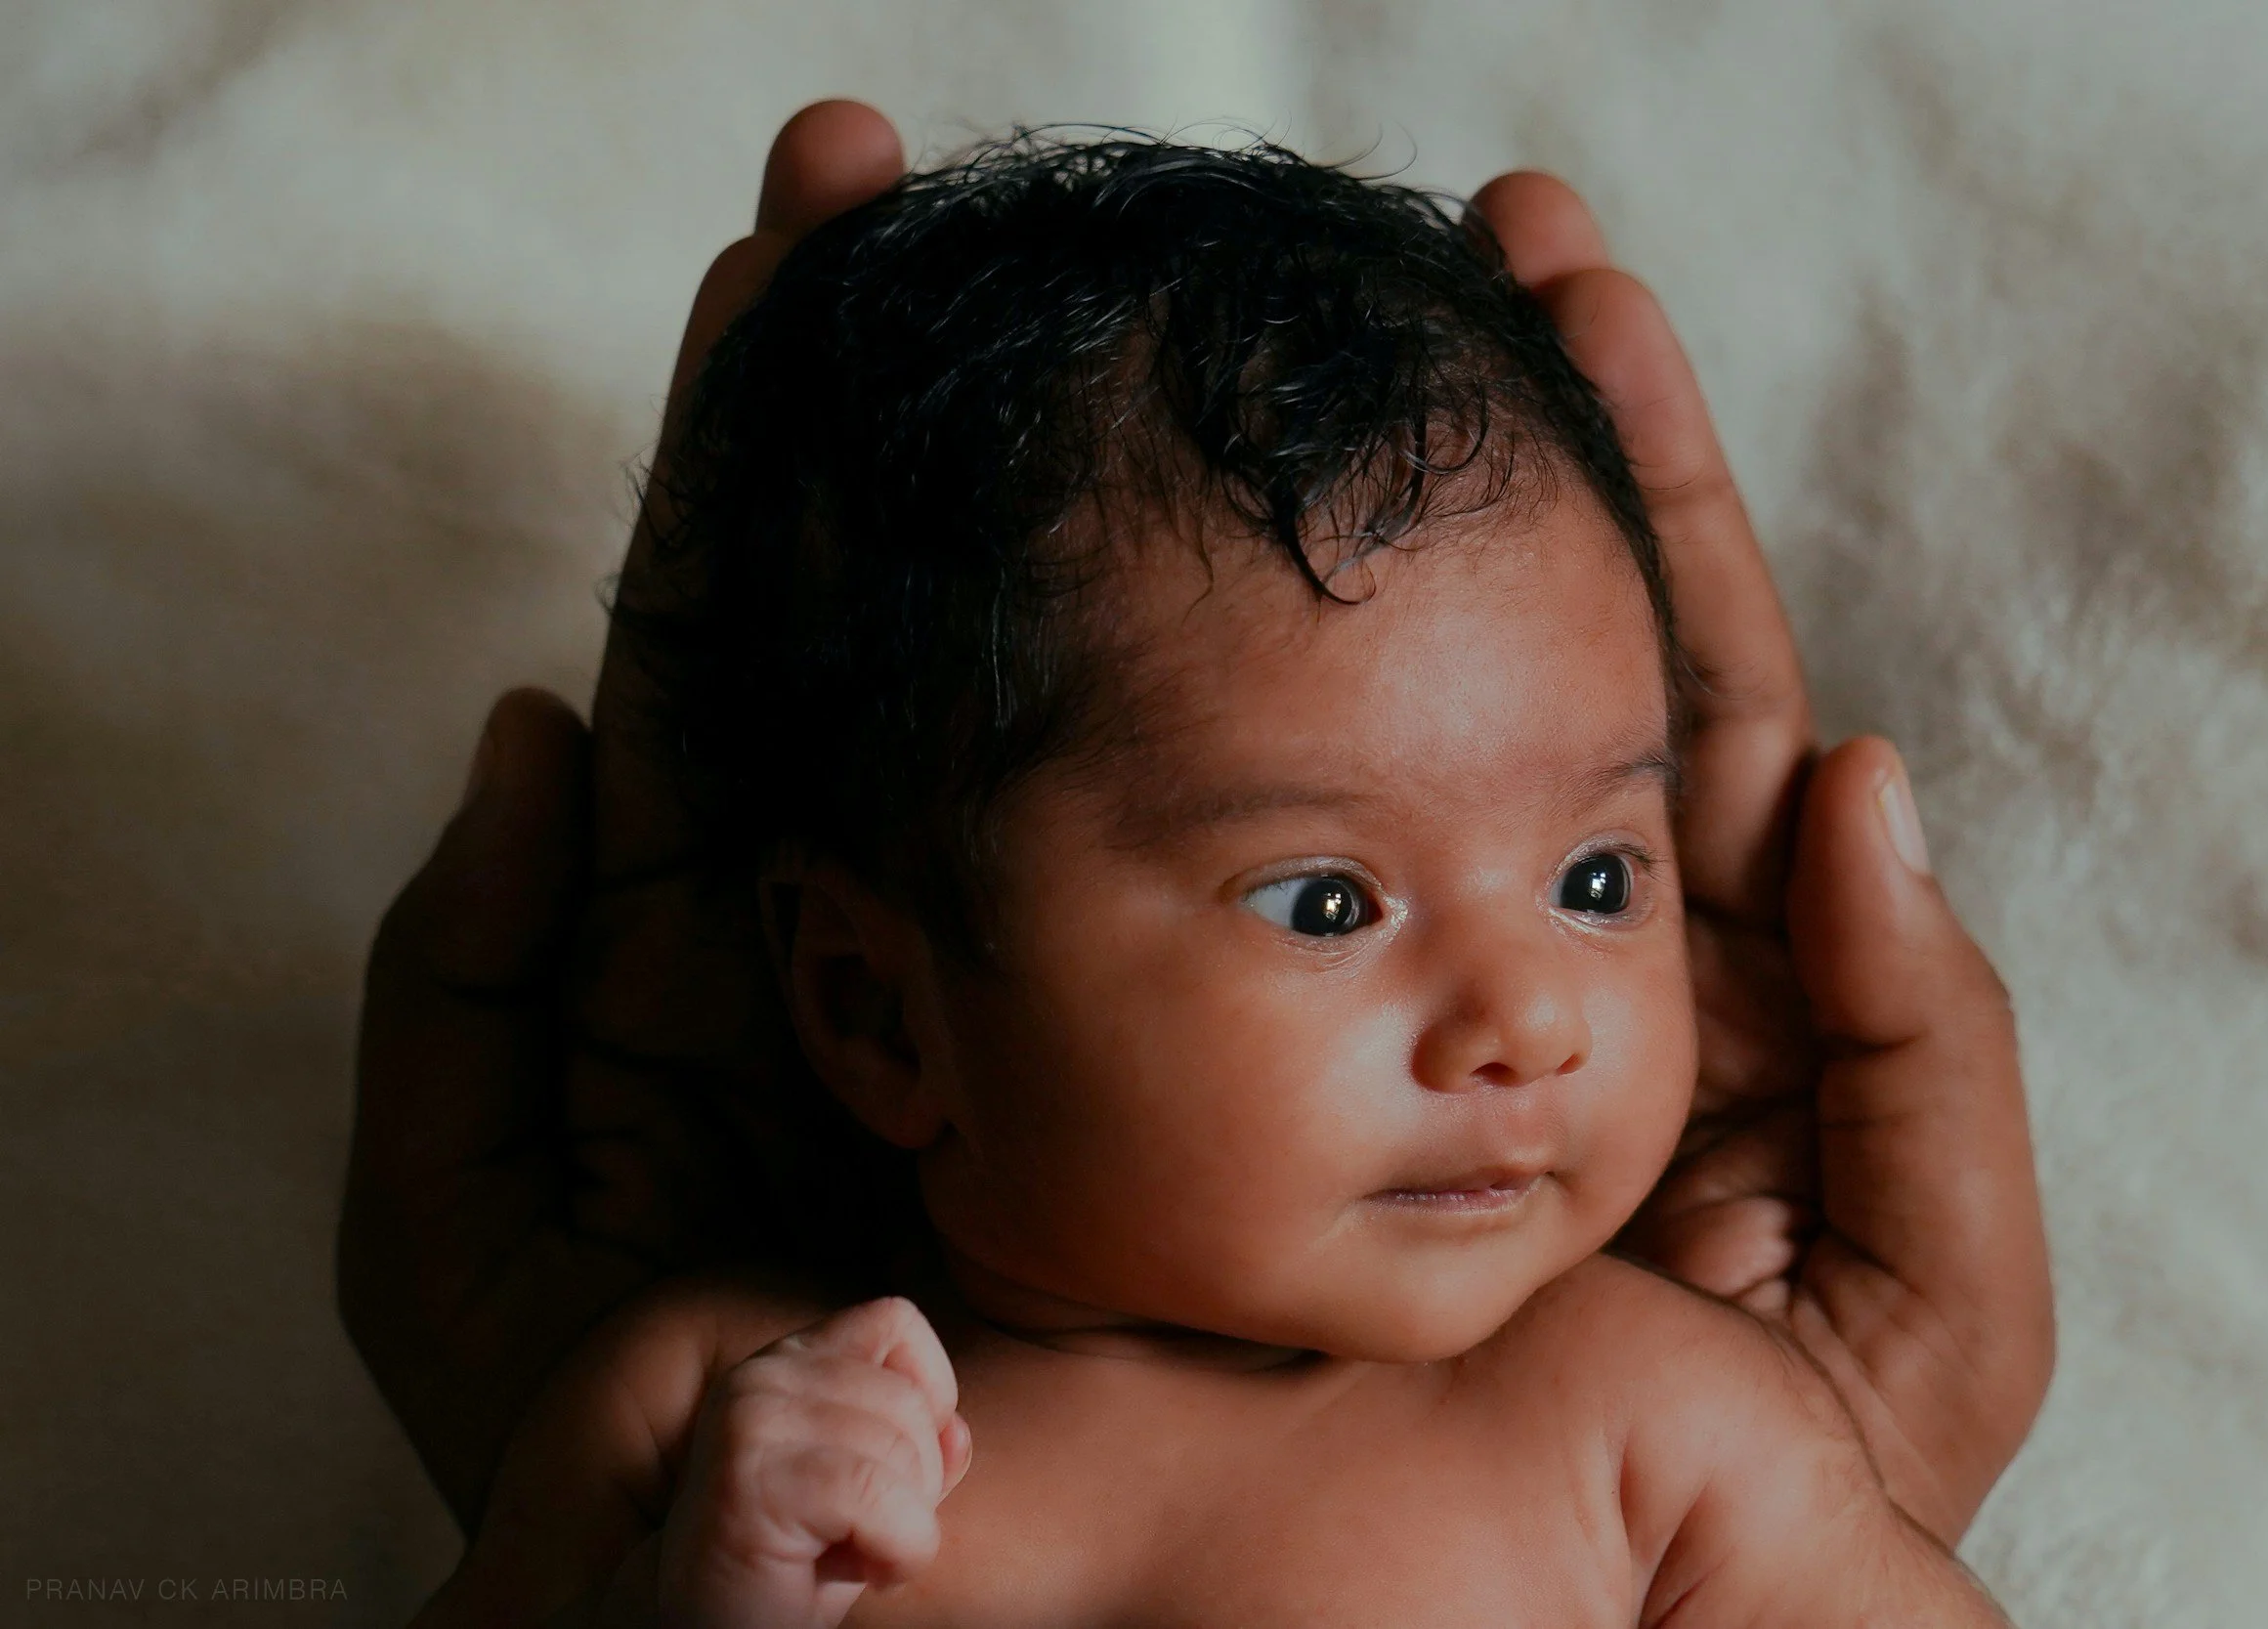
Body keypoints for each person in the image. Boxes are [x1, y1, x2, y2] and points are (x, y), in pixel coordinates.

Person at [341, 103, 2052, 1621]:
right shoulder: (701, 1414)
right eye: (1327, 900)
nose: (1531, 1016)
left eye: (1597, 878)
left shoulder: (1654, 1428)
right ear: (879, 1009)